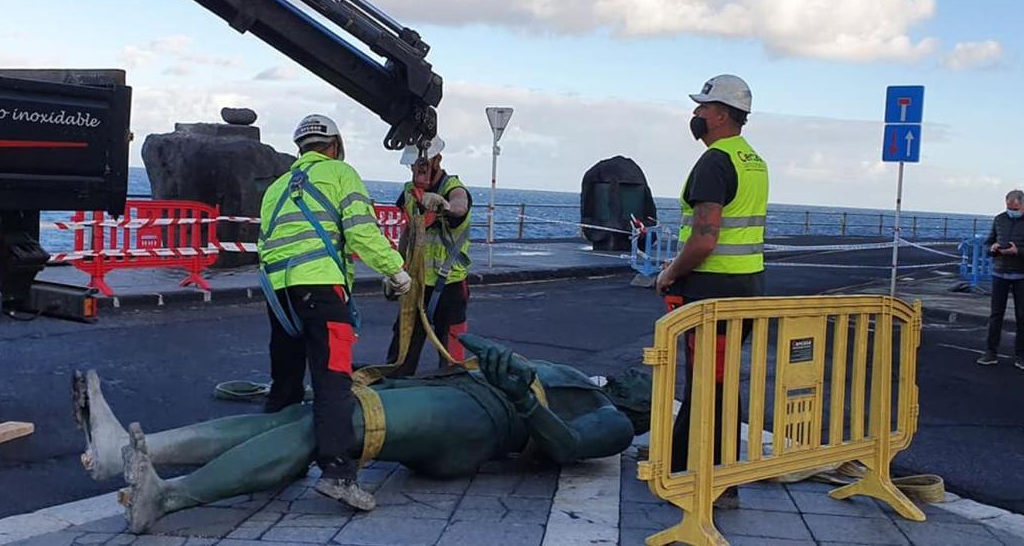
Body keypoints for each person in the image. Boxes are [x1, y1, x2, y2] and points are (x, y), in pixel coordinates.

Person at [70, 335, 650, 534]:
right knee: (305, 418)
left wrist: (522, 395)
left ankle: (169, 497)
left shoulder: (614, 423)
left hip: (479, 425)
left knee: (341, 426)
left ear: (644, 409)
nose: (638, 373)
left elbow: (568, 447)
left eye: (648, 381)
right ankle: (125, 452)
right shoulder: (587, 380)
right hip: (461, 391)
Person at [257, 114, 412, 511]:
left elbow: (266, 243)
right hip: (322, 292)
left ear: (300, 149)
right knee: (333, 380)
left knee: (286, 381)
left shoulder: (277, 187)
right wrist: (395, 269)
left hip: (280, 295)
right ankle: (338, 474)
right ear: (335, 145)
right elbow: (361, 230)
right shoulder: (340, 173)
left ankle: (273, 461)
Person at [654, 74, 768, 505]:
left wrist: (669, 273)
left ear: (721, 114)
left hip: (711, 292)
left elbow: (704, 238)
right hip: (747, 286)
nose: (696, 115)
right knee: (714, 383)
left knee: (708, 386)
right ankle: (689, 465)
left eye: (702, 108)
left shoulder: (715, 162)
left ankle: (710, 481)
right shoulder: (752, 160)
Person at [384, 136, 473, 375]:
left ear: (437, 160)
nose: (416, 169)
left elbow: (460, 206)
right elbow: (408, 230)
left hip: (449, 286)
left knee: (453, 360)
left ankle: (455, 395)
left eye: (421, 164)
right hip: (416, 285)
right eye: (413, 164)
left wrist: (443, 205)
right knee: (401, 355)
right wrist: (395, 270)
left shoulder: (453, 188)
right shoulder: (409, 193)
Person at [979, 189, 1024, 369]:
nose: (1012, 211)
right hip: (999, 272)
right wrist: (992, 248)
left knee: (1021, 316)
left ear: (1023, 205)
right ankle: (990, 351)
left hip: (1023, 275)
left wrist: (1019, 252)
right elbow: (988, 242)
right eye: (1009, 207)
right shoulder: (999, 219)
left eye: (1015, 208)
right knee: (995, 315)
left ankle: (1021, 355)